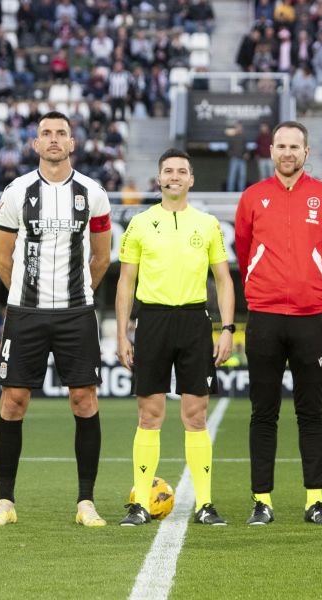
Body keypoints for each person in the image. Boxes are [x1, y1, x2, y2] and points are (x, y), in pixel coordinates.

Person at [0, 111, 112, 528]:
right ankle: (5, 501)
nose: (54, 140)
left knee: (84, 400)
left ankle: (86, 502)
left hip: (77, 313)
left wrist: (80, 293)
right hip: (26, 312)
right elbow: (0, 259)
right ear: (35, 144)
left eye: (61, 133)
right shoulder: (16, 191)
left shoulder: (93, 193)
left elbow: (101, 256)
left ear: (73, 143)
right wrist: (26, 291)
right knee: (13, 403)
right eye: (46, 134)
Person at [115, 148, 235, 526]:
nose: (175, 177)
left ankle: (205, 504)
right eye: (168, 171)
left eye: (182, 171)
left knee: (195, 414)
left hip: (194, 321)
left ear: (191, 179)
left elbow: (224, 280)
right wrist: (122, 333)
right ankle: (140, 504)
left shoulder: (208, 223)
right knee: (149, 413)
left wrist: (227, 328)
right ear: (159, 178)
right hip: (152, 321)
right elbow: (126, 282)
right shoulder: (139, 223)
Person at [234, 121, 322, 525]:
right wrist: (262, 288)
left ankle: (314, 500)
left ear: (306, 151)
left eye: (294, 146)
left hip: (309, 319)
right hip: (263, 317)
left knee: (311, 413)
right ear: (272, 151)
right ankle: (261, 501)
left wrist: (314, 289)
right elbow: (244, 251)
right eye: (280, 146)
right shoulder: (252, 197)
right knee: (263, 413)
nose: (287, 153)